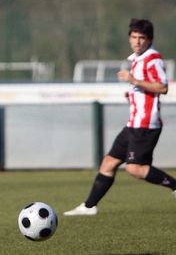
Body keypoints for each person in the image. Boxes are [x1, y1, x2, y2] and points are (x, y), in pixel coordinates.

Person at [64, 18, 176, 216]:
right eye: (134, 37)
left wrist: (133, 80)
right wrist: (133, 94)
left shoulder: (153, 59)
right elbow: (146, 88)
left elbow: (163, 87)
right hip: (133, 122)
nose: (137, 41)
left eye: (142, 38)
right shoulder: (137, 59)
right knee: (108, 162)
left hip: (145, 124)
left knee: (135, 168)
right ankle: (89, 206)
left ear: (149, 40)